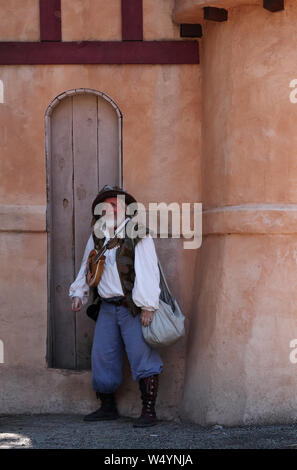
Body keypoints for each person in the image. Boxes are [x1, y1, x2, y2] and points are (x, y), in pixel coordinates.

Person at [69, 184, 163, 427]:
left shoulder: (138, 233)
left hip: (132, 307)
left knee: (143, 356)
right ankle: (107, 407)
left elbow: (148, 271)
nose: (109, 209)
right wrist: (78, 293)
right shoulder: (97, 235)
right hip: (107, 308)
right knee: (103, 357)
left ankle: (149, 411)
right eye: (105, 205)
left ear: (125, 208)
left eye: (114, 204)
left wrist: (148, 306)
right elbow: (86, 266)